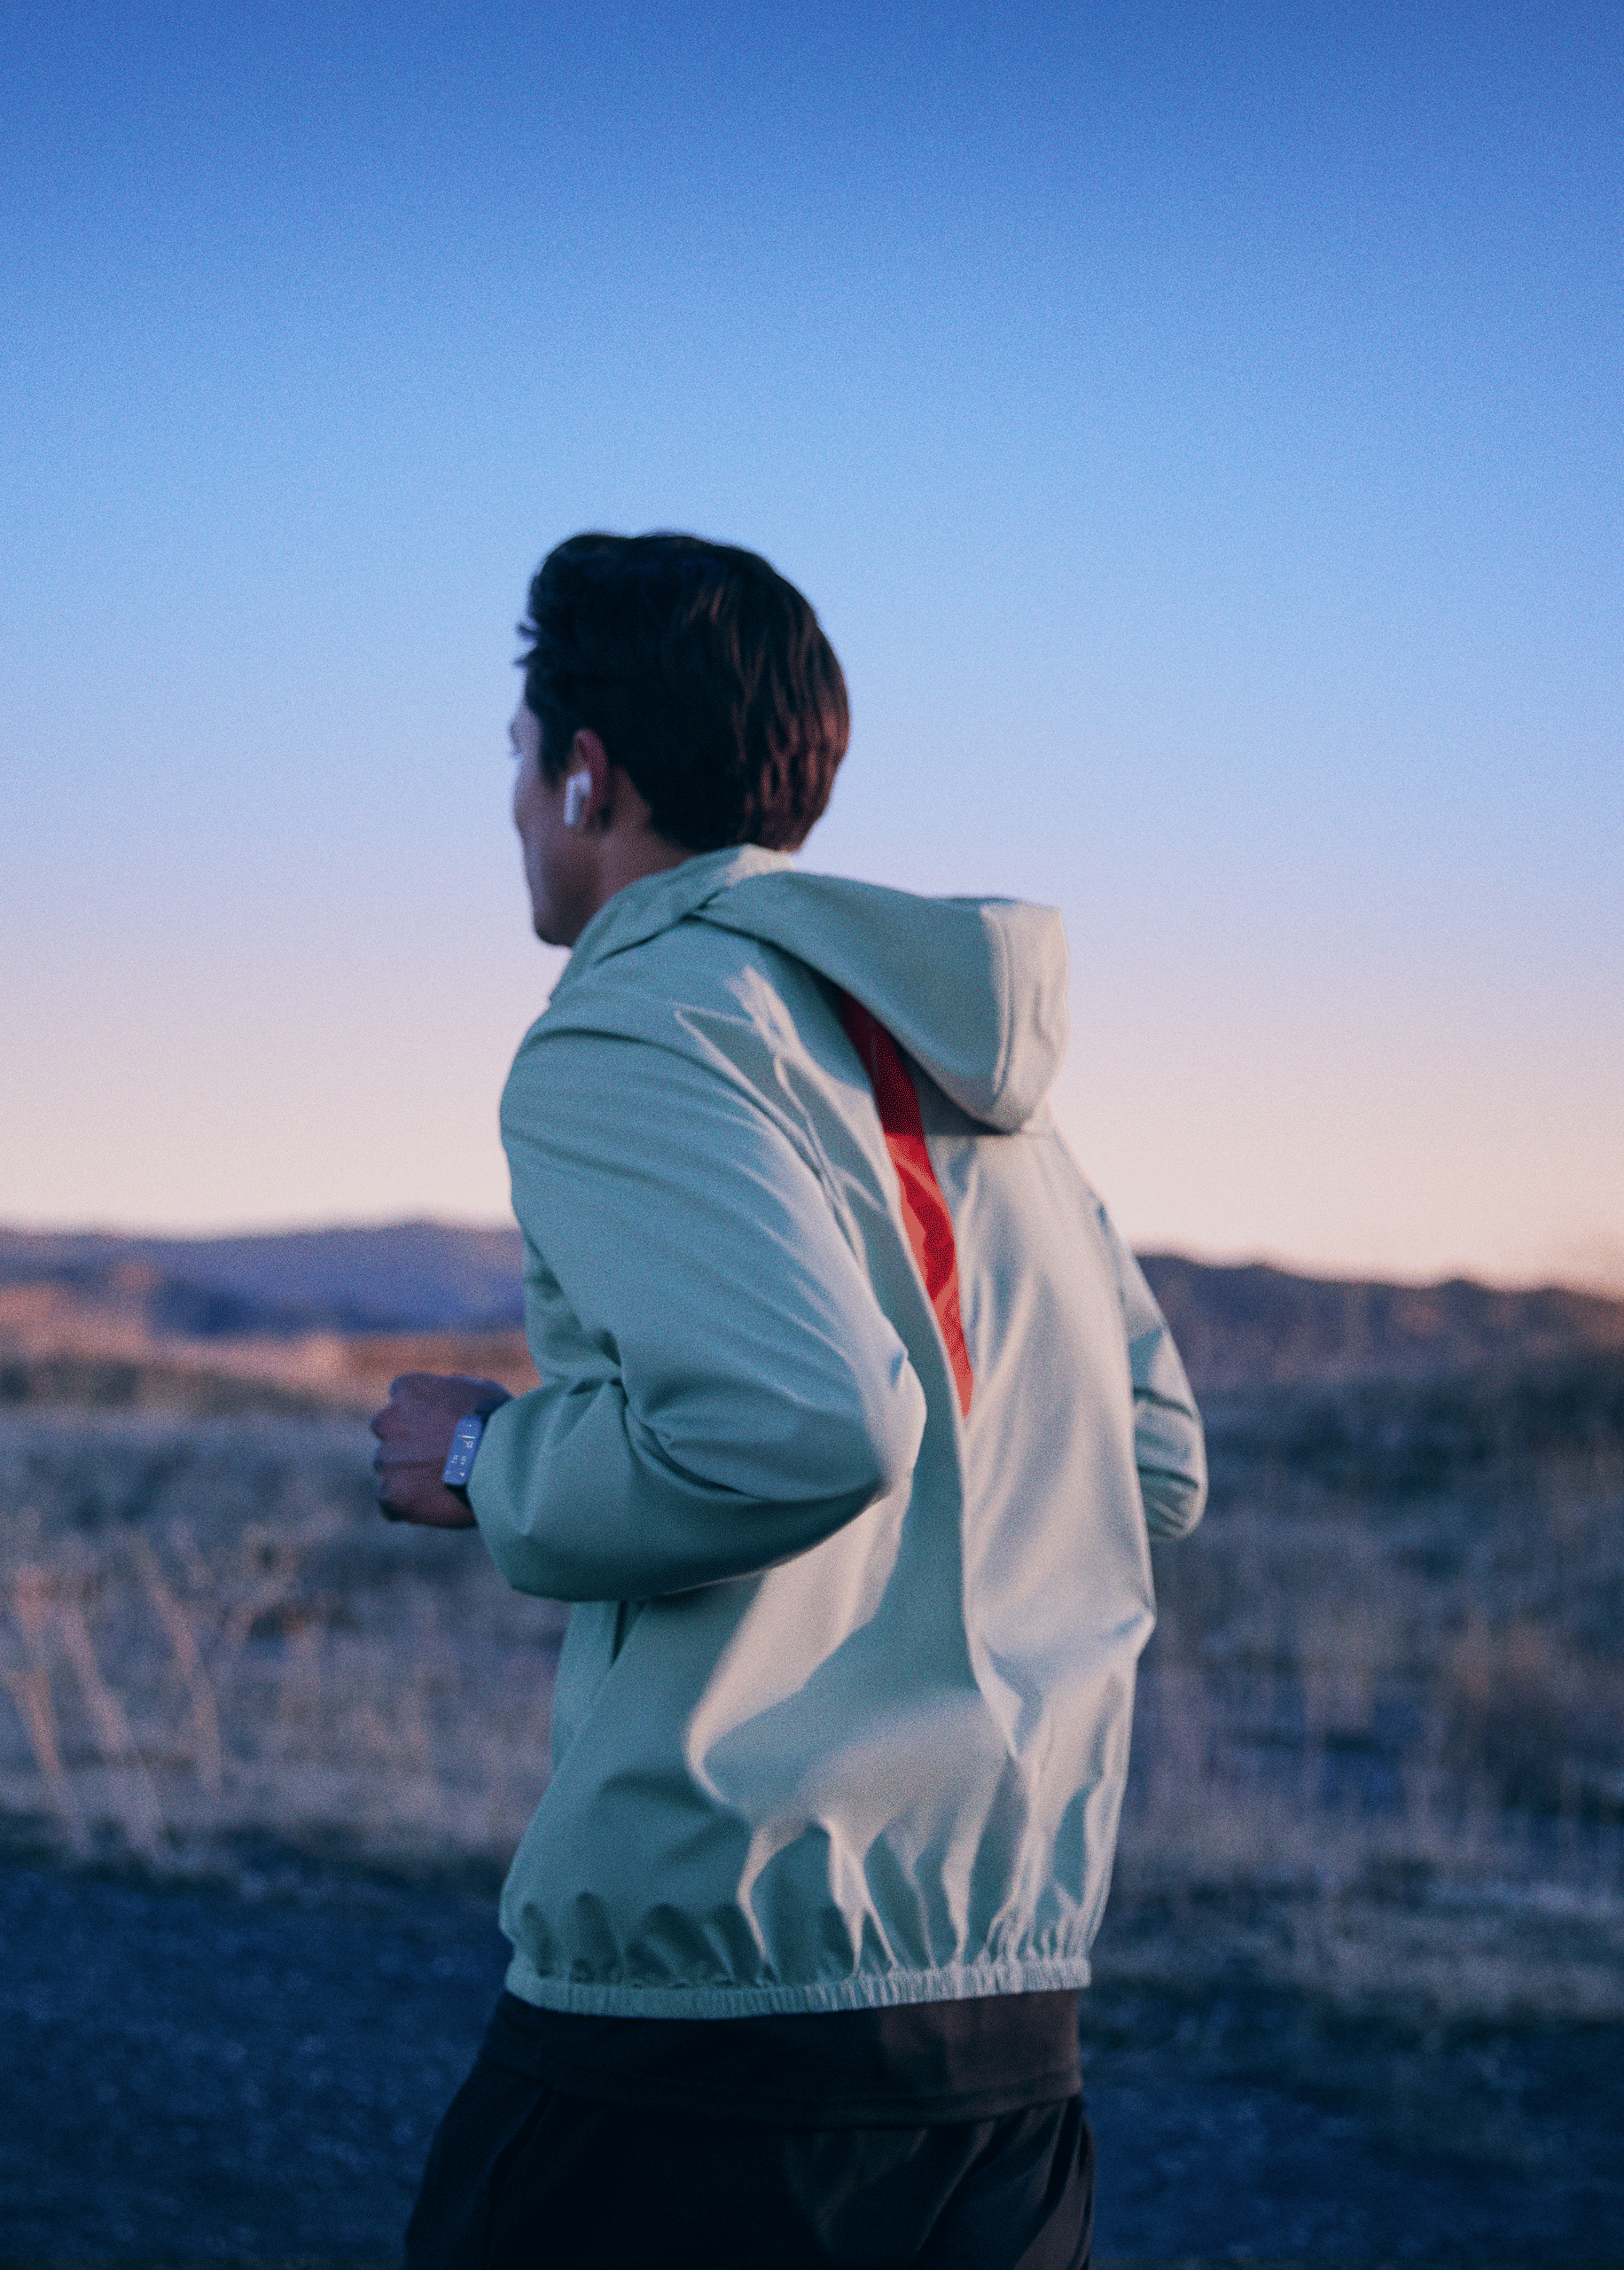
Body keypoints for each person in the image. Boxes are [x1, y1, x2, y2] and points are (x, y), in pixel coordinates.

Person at [371, 532, 1206, 2270]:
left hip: (706, 2027)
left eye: (520, 766)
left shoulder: (636, 1024)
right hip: (1002, 2028)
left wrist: (485, 1453)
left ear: (586, 770)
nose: (516, 810)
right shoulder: (962, 1071)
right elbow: (1157, 1461)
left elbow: (801, 1425)